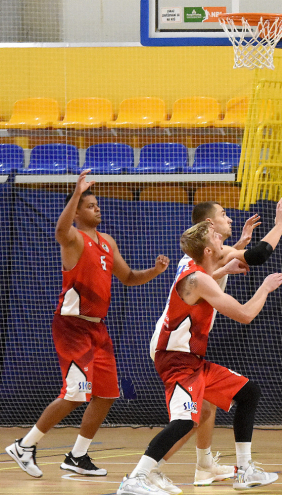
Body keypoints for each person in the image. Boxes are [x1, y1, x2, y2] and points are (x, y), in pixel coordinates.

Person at [5, 170, 170, 479]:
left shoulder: (107, 241)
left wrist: (155, 271)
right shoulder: (72, 239)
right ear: (77, 212)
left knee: (106, 395)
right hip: (72, 326)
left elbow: (129, 278)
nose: (97, 208)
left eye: (96, 204)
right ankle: (24, 446)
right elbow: (59, 228)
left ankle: (77, 456)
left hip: (99, 328)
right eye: (89, 204)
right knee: (75, 393)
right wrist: (77, 191)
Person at [116, 221, 282, 495]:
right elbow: (244, 315)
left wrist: (224, 269)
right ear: (207, 249)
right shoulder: (199, 279)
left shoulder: (200, 272)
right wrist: (264, 288)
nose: (221, 236)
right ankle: (136, 478)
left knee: (248, 393)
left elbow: (209, 278)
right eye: (215, 236)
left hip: (192, 359)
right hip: (175, 358)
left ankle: (244, 471)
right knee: (184, 422)